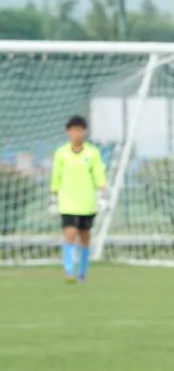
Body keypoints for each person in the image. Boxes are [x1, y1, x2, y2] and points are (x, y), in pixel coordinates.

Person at [51, 116, 107, 283]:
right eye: (74, 130)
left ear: (85, 132)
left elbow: (98, 174)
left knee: (84, 237)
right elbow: (56, 176)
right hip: (67, 202)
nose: (77, 133)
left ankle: (82, 272)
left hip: (87, 202)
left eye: (81, 130)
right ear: (68, 131)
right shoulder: (61, 153)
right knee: (69, 233)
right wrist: (53, 198)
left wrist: (102, 195)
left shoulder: (92, 153)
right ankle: (69, 271)